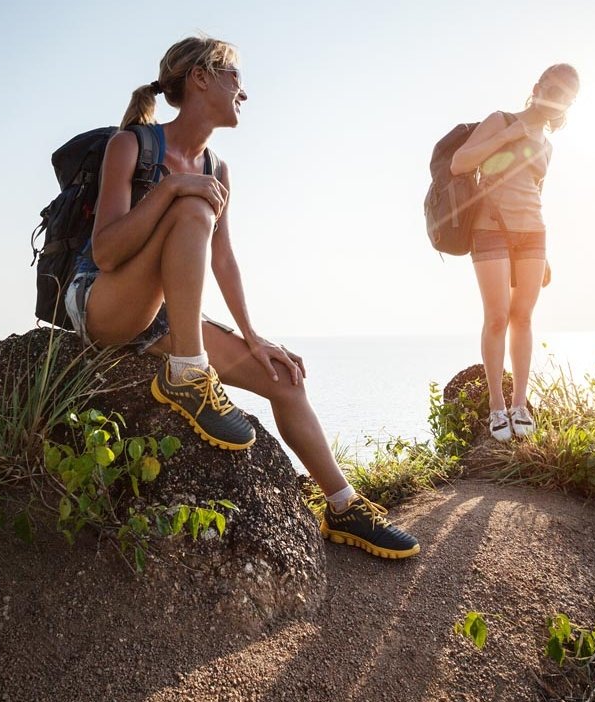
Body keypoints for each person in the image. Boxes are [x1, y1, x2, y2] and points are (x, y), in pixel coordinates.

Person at [64, 36, 419, 559]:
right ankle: (188, 375)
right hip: (105, 302)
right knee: (192, 208)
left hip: (163, 317)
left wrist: (255, 338)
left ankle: (344, 507)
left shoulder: (217, 169)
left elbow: (222, 260)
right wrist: (170, 191)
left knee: (284, 378)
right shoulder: (133, 144)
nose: (243, 92)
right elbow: (109, 250)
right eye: (235, 77)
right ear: (201, 78)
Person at [450, 64, 579, 442]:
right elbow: (460, 163)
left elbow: (535, 191)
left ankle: (520, 404)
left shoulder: (548, 145)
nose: (557, 100)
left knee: (523, 317)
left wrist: (546, 256)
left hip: (533, 234)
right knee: (496, 318)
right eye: (553, 90)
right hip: (490, 228)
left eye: (566, 98)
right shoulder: (500, 119)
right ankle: (496, 407)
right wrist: (508, 134)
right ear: (538, 86)